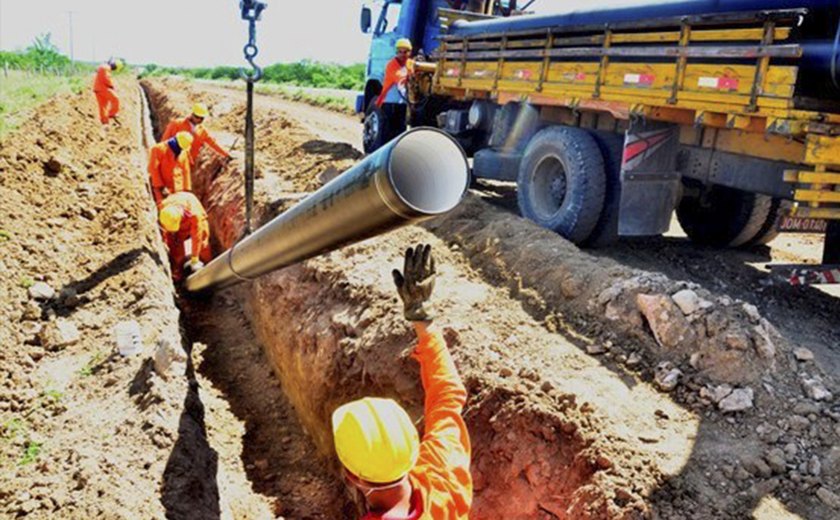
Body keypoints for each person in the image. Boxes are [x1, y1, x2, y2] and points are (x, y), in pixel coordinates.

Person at [332, 244, 472, 519]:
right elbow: (447, 395)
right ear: (413, 448)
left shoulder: (440, 465)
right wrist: (423, 319)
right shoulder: (442, 472)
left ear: (351, 477)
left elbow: (448, 395)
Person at [158, 191, 211, 282]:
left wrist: (195, 259)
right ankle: (177, 272)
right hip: (177, 219)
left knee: (202, 244)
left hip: (192, 214)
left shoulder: (194, 215)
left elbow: (197, 236)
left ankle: (208, 269)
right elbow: (164, 231)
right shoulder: (163, 207)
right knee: (176, 246)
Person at [161, 103, 231, 165]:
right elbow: (165, 140)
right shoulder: (177, 124)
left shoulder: (202, 131)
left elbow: (213, 143)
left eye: (202, 118)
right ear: (192, 114)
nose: (199, 120)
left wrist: (226, 154)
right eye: (197, 117)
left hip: (186, 164)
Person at [375, 38, 416, 141]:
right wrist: (411, 78)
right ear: (396, 52)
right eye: (400, 52)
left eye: (405, 52)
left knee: (399, 132)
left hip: (402, 104)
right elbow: (400, 78)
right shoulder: (391, 65)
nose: (402, 54)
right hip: (389, 102)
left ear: (409, 52)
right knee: (387, 132)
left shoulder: (410, 63)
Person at [148, 131, 194, 208]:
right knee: (163, 209)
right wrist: (161, 187)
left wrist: (186, 190)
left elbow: (186, 171)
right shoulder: (158, 149)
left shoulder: (183, 152)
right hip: (162, 188)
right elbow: (154, 169)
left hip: (178, 189)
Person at [93, 59, 122, 125]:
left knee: (103, 107)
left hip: (97, 89)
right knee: (115, 98)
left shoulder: (103, 67)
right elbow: (106, 79)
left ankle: (104, 122)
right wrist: (111, 86)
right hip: (103, 88)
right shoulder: (106, 68)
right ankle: (112, 113)